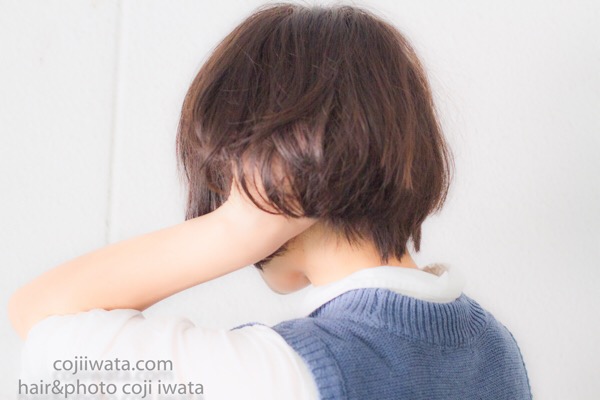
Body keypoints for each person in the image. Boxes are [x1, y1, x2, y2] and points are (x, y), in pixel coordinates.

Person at [8, 2, 532, 399]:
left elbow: (45, 331)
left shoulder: (280, 374)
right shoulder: (496, 350)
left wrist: (235, 230)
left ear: (256, 170)